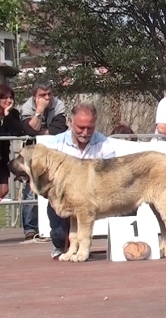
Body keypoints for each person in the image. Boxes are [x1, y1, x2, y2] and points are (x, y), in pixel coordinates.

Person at [44, 103, 116, 259]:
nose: (85, 132)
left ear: (95, 123)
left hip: (94, 200)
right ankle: (62, 245)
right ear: (70, 122)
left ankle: (121, 244)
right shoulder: (55, 144)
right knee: (60, 237)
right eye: (81, 127)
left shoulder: (105, 144)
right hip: (64, 201)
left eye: (90, 128)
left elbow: (111, 176)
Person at [19, 78, 68, 241]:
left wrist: (40, 131)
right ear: (35, 97)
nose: (47, 98)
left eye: (49, 94)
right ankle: (30, 228)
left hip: (55, 154)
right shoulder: (27, 107)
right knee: (31, 187)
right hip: (33, 153)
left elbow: (59, 128)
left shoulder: (58, 104)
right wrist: (39, 112)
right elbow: (28, 129)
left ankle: (55, 228)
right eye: (43, 95)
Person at [0, 84, 24, 244]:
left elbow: (17, 132)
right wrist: (3, 131)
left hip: (0, 157)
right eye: (5, 97)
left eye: (11, 97)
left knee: (2, 190)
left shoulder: (13, 113)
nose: (9, 100)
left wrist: (8, 114)